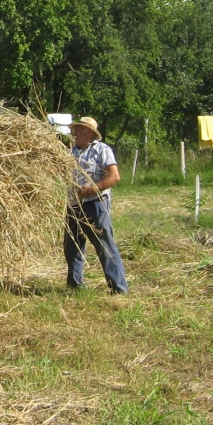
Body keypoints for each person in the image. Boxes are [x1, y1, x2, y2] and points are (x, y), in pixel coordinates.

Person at [64, 116, 129, 294]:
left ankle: (118, 288)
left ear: (89, 132)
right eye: (74, 129)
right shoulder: (70, 152)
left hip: (95, 204)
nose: (74, 133)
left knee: (105, 247)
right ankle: (74, 286)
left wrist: (92, 189)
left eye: (78, 129)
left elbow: (114, 176)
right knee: (73, 247)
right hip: (73, 204)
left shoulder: (102, 150)